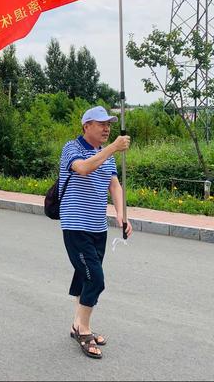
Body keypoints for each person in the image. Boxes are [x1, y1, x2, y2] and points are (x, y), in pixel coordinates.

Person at [58, 106, 132, 359]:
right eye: (101, 123)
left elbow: (114, 184)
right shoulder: (72, 148)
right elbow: (83, 169)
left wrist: (121, 214)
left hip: (98, 227)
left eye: (109, 124)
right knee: (95, 279)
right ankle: (84, 329)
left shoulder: (104, 153)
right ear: (86, 125)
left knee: (84, 275)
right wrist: (113, 147)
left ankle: (76, 324)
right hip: (76, 226)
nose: (107, 128)